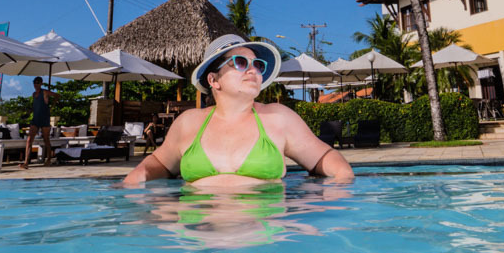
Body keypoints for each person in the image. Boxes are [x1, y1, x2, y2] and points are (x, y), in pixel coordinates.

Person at [123, 34, 353, 187]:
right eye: (241, 63)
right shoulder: (189, 122)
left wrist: (338, 185)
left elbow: (325, 157)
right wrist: (132, 182)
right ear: (214, 80)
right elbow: (160, 163)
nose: (253, 70)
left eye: (257, 65)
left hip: (262, 231)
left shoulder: (278, 118)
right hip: (199, 232)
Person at [20, 76, 56, 169]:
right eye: (35, 82)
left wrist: (51, 107)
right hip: (35, 119)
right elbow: (34, 107)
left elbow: (57, 95)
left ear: (41, 83)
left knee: (46, 139)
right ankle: (26, 162)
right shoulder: (33, 94)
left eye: (38, 82)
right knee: (29, 140)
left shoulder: (45, 92)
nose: (36, 84)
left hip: (44, 119)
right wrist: (28, 114)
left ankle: (48, 159)